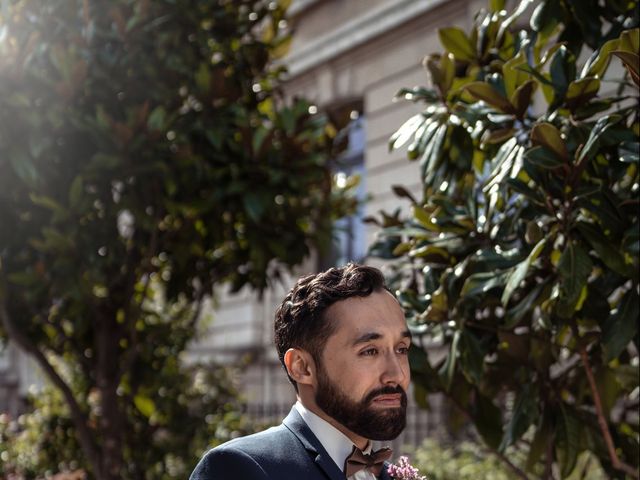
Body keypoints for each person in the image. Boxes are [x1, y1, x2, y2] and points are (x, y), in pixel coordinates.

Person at [190, 263, 411, 480]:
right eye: (370, 351)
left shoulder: (391, 475)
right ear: (301, 367)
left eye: (402, 349)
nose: (397, 374)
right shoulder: (237, 468)